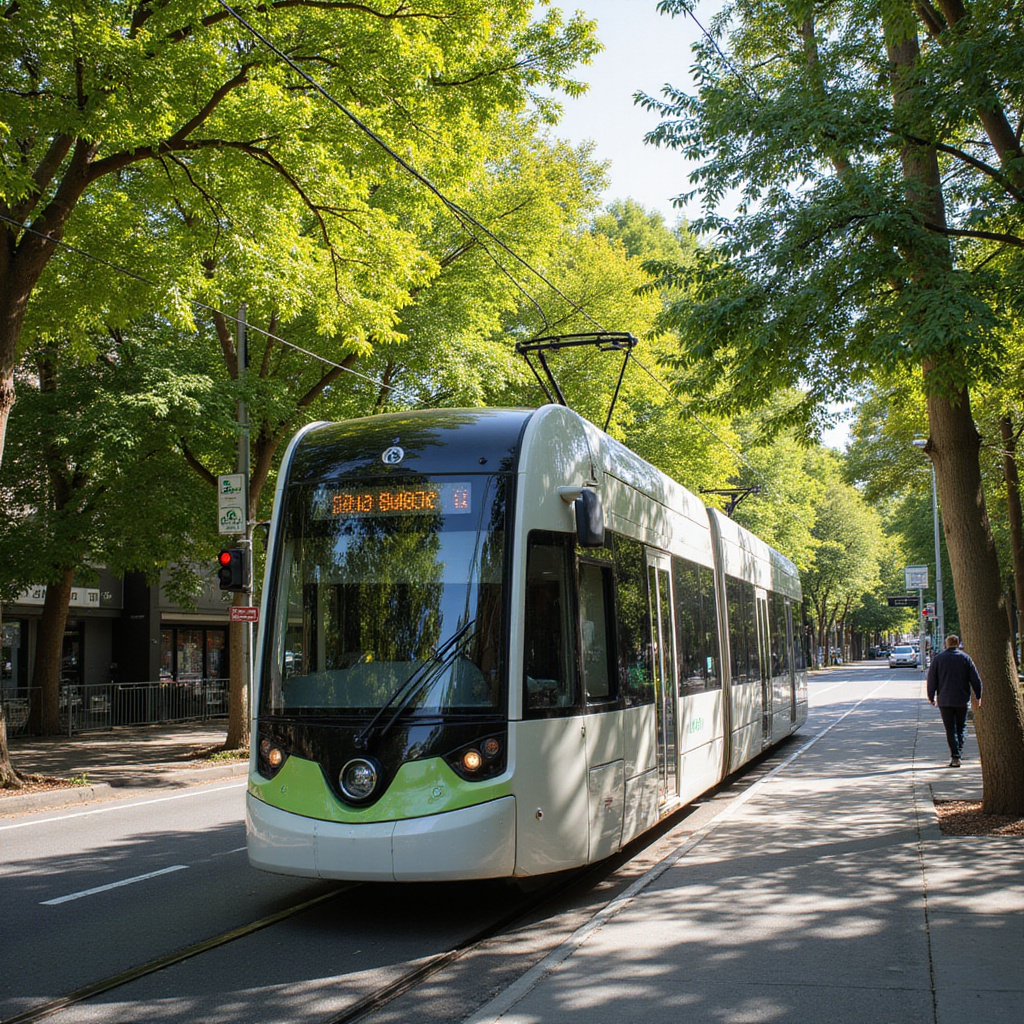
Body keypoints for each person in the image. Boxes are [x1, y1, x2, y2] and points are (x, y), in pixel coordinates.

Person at [926, 633, 983, 768]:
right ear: (958, 644)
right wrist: (978, 695)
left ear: (946, 644)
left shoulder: (938, 659)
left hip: (945, 700)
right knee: (961, 727)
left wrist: (931, 696)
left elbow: (932, 679)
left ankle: (955, 756)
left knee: (950, 729)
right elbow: (976, 679)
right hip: (962, 699)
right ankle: (958, 752)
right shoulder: (965, 658)